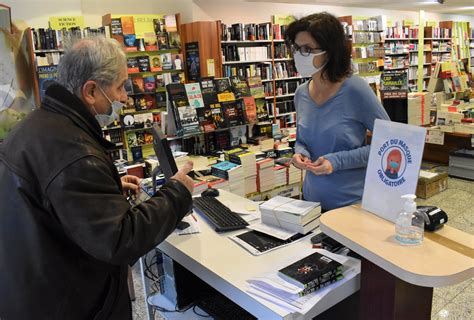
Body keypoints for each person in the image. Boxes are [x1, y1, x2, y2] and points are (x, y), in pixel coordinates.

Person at [0, 37, 194, 320]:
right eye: (119, 87)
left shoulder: (37, 125)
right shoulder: (74, 152)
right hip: (70, 304)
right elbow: (119, 241)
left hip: (31, 289)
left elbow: (57, 201)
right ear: (91, 91)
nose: (125, 97)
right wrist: (177, 193)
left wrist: (110, 189)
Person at [286, 13, 390, 211]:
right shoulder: (301, 93)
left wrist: (336, 161)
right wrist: (300, 153)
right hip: (311, 203)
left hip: (351, 205)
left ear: (330, 51)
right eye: (297, 49)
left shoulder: (355, 90)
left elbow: (389, 144)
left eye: (307, 49)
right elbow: (302, 140)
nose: (299, 55)